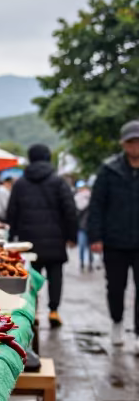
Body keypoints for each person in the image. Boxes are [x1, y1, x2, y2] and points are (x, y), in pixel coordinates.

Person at [7, 143, 77, 327]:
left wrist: (11, 237)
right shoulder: (58, 182)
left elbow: (11, 212)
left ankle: (34, 311)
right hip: (55, 239)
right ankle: (54, 311)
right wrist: (72, 236)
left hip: (28, 241)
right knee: (56, 276)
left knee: (31, 275)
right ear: (47, 158)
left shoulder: (20, 184)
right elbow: (70, 210)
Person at [87, 120, 139, 348]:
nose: (135, 146)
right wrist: (95, 237)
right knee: (116, 288)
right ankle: (117, 323)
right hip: (115, 241)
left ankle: (138, 332)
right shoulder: (109, 170)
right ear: (123, 144)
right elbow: (96, 205)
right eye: (131, 142)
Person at [74, 180, 92, 272]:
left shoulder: (91, 198)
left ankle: (90, 264)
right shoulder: (77, 199)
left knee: (89, 247)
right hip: (82, 227)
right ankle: (82, 263)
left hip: (88, 227)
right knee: (82, 247)